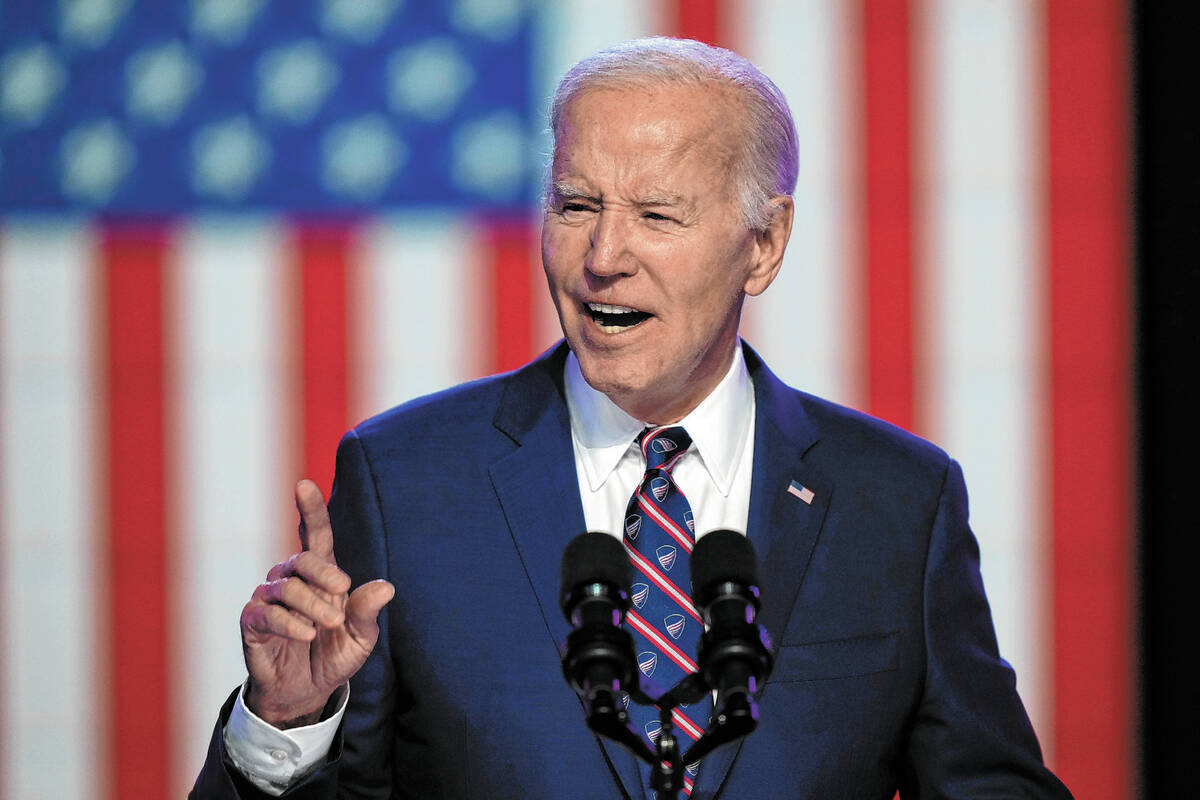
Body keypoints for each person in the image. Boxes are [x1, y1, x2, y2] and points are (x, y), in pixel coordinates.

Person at [191, 37, 1072, 799]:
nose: (603, 258)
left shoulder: (898, 503)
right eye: (576, 206)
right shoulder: (407, 482)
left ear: (762, 245)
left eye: (656, 215)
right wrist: (287, 724)